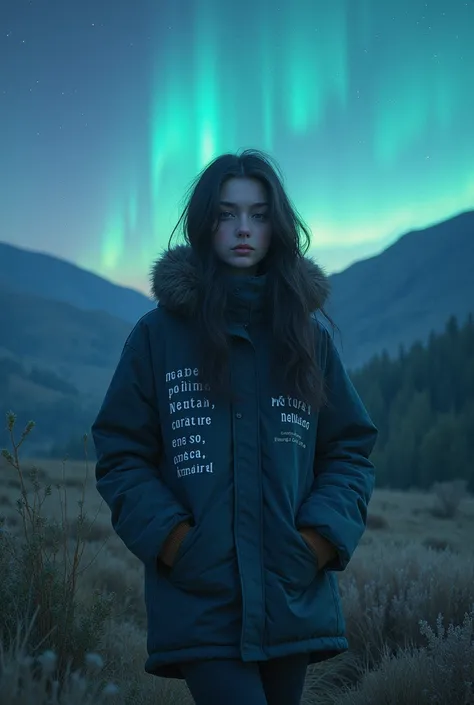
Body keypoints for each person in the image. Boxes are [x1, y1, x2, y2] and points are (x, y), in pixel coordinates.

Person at [91, 149, 378, 705]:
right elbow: (121, 452)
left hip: (291, 592)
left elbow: (349, 449)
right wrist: (176, 543)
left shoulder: (308, 339)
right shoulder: (157, 337)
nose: (243, 228)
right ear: (205, 223)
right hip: (202, 595)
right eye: (226, 214)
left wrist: (317, 543)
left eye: (258, 214)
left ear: (277, 225)